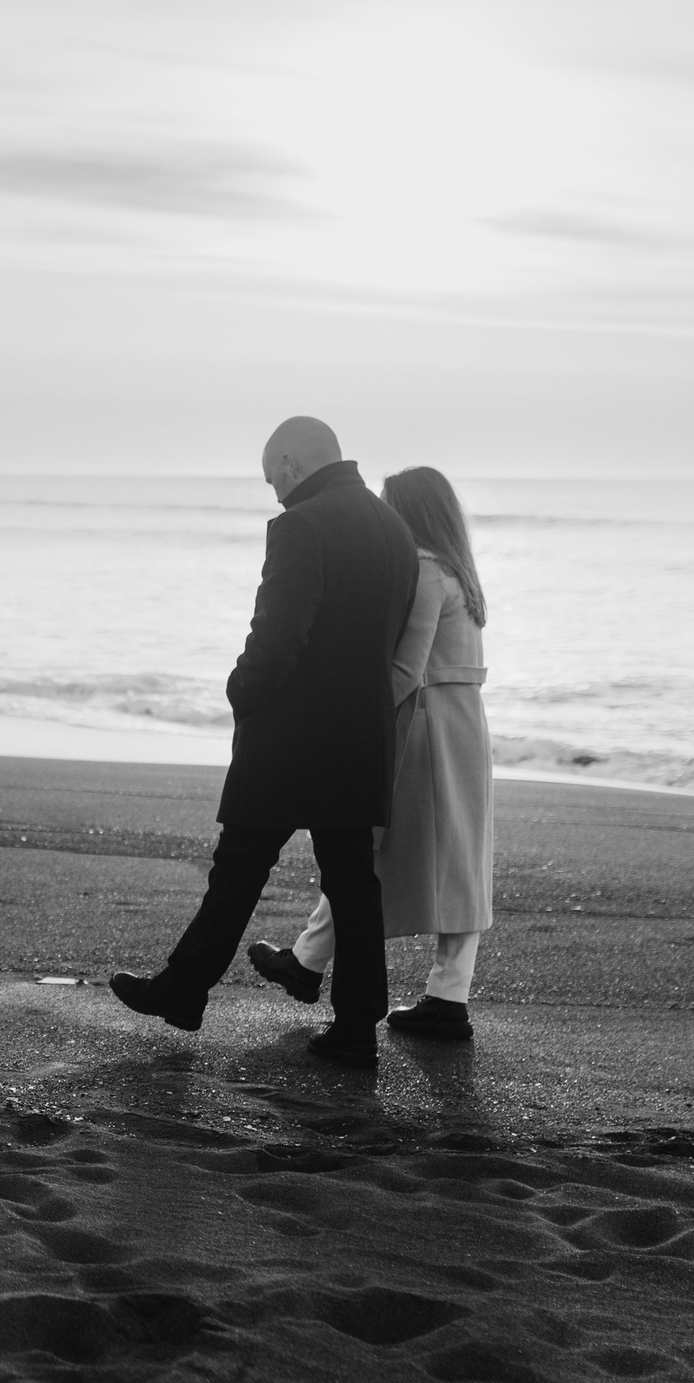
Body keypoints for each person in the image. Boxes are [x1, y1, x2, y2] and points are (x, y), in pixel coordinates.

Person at [109, 417, 418, 1068]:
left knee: (241, 865)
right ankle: (358, 1026)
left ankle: (183, 991)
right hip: (361, 733)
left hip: (291, 734)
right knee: (352, 881)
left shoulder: (301, 524)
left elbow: (278, 630)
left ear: (289, 461)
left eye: (271, 475)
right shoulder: (394, 529)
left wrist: (241, 691)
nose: (272, 490)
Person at [250, 466, 493, 1039]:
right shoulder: (462, 573)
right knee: (460, 861)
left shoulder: (427, 573)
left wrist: (348, 716)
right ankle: (445, 995)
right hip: (463, 724)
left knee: (366, 848)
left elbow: (407, 668)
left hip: (425, 726)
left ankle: (309, 962)